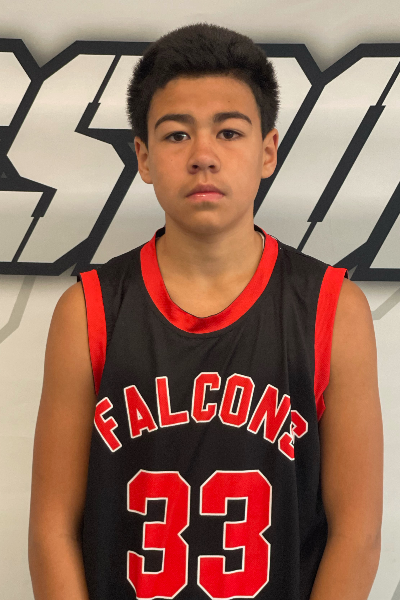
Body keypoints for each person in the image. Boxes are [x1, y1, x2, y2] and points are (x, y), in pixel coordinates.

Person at [28, 23, 383, 600]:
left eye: (229, 132)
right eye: (176, 135)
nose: (203, 156)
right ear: (143, 156)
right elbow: (52, 530)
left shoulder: (333, 310)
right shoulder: (88, 311)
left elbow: (358, 535)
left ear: (267, 151)